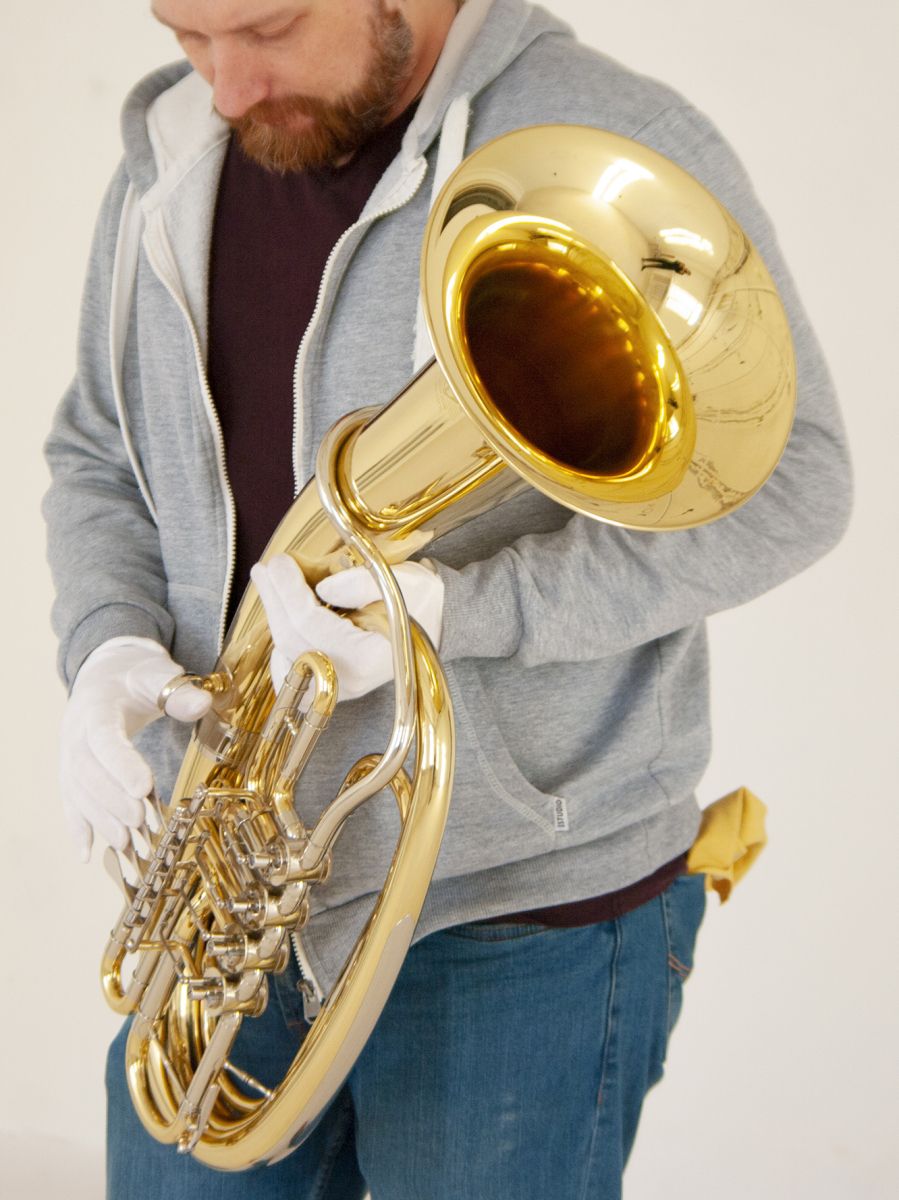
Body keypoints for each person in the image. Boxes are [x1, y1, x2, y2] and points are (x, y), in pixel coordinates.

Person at [43, 1, 851, 1196]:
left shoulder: (609, 137)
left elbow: (785, 488)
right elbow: (99, 452)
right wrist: (106, 644)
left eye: (267, 27)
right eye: (186, 36)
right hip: (222, 892)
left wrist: (457, 609)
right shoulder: (175, 149)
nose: (224, 88)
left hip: (520, 922)